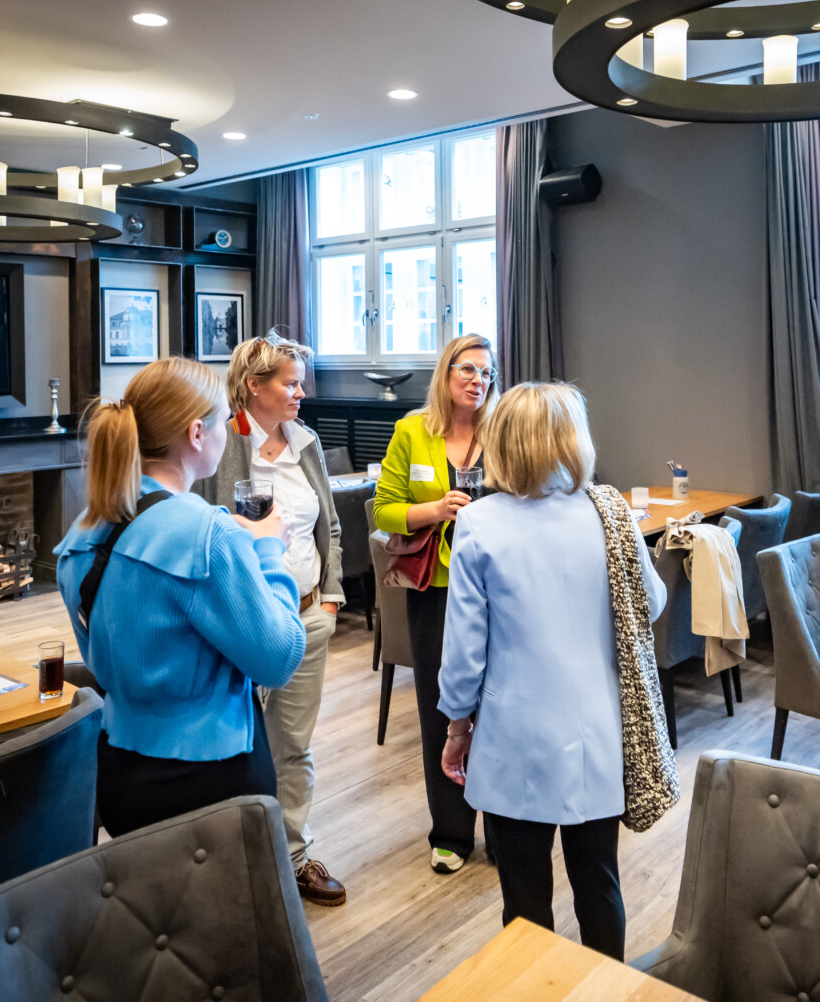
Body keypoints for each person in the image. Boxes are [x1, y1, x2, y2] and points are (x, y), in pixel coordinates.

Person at [437, 382, 666, 960]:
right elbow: (652, 603)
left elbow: (464, 653)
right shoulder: (609, 513)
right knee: (599, 884)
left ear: (501, 443)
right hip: (598, 732)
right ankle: (607, 990)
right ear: (573, 440)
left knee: (524, 899)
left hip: (513, 737)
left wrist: (457, 726)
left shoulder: (478, 523)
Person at [54, 357, 305, 837]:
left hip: (120, 772)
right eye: (223, 422)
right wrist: (268, 550)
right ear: (196, 434)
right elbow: (279, 659)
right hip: (212, 780)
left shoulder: (82, 533)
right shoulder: (207, 534)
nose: (228, 433)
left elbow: (99, 657)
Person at [194, 331, 347, 906]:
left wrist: (329, 600)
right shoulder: (220, 442)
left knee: (293, 749)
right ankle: (235, 868)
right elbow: (204, 527)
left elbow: (329, 525)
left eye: (302, 383)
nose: (301, 393)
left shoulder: (306, 441)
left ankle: (294, 858)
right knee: (239, 749)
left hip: (307, 616)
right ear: (254, 385)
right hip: (242, 621)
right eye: (290, 383)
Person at [373, 333, 498, 873]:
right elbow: (384, 510)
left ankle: (505, 829)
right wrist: (436, 510)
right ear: (446, 373)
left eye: (486, 373)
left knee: (496, 709)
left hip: (497, 587)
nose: (478, 380)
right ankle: (450, 832)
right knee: (442, 708)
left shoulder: (503, 431)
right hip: (437, 589)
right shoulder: (412, 432)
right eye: (467, 369)